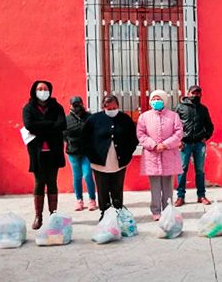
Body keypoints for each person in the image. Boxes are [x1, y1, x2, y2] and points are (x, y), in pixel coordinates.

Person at [81, 95, 138, 220]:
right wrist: (91, 155)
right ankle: (105, 212)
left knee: (117, 188)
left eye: (114, 107)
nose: (112, 110)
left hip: (120, 161)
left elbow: (133, 139)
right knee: (102, 189)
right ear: (103, 107)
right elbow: (84, 140)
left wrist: (128, 153)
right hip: (99, 162)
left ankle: (118, 210)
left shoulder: (125, 119)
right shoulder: (93, 119)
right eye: (109, 108)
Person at [22, 80, 66, 230]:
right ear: (34, 91)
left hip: (53, 152)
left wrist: (40, 127)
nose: (43, 91)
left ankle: (53, 214)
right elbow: (29, 125)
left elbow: (62, 125)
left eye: (45, 88)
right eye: (40, 88)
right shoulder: (28, 108)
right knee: (39, 182)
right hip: (37, 152)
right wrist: (50, 125)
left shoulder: (57, 107)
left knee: (52, 182)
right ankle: (38, 216)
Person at [137, 90, 184, 221]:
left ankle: (168, 209)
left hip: (169, 154)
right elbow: (141, 134)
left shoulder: (173, 116)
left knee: (168, 186)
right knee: (155, 187)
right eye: (153, 99)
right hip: (152, 155)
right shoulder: (144, 117)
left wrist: (165, 144)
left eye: (158, 99)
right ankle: (156, 211)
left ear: (164, 100)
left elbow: (178, 133)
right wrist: (153, 145)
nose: (155, 102)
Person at [174, 85, 214, 206]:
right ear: (188, 93)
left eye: (198, 93)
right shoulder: (180, 107)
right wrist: (178, 140)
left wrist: (205, 137)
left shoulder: (203, 109)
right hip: (184, 144)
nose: (195, 95)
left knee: (200, 170)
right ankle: (180, 197)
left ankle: (201, 196)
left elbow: (210, 126)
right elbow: (174, 125)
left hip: (199, 144)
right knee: (182, 170)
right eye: (193, 93)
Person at [63, 96, 97, 212]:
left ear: (83, 104)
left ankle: (92, 199)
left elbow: (94, 132)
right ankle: (79, 200)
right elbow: (63, 135)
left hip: (86, 152)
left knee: (87, 175)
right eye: (74, 104)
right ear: (70, 106)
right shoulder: (66, 119)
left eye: (78, 104)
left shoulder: (89, 117)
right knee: (76, 176)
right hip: (73, 153)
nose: (76, 106)